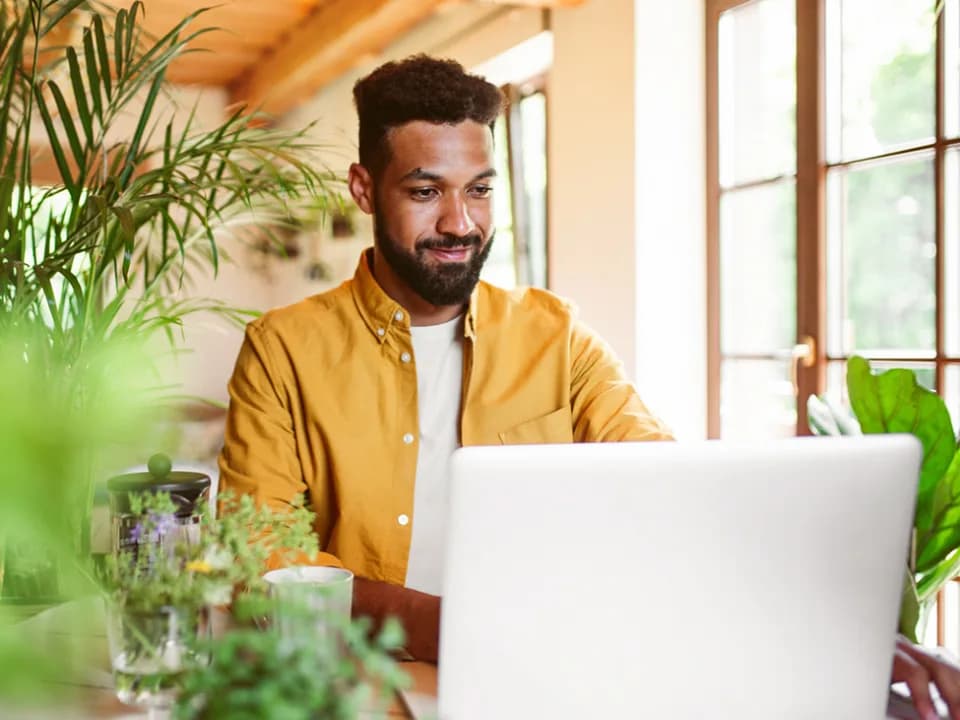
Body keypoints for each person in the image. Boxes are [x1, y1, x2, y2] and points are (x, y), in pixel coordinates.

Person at [217, 55, 672, 663]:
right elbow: (258, 552)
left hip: (538, 661)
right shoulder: (282, 351)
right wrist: (442, 627)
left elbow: (659, 484)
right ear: (363, 189)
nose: (460, 223)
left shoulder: (558, 337)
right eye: (426, 191)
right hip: (360, 676)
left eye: (480, 190)